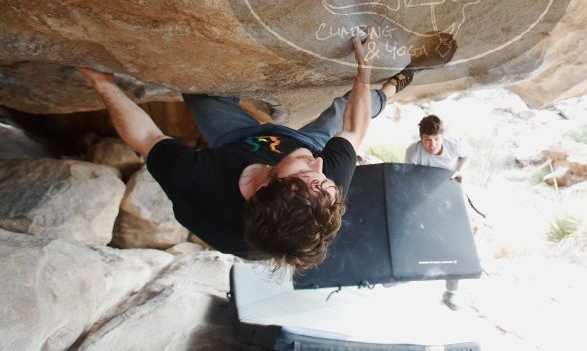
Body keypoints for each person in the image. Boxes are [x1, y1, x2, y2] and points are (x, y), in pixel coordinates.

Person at [77, 35, 415, 271]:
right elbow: (354, 129)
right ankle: (387, 91)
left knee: (198, 91)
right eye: (323, 177)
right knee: (343, 108)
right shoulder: (324, 188)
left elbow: (147, 136)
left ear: (261, 188)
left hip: (234, 142)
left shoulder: (199, 184)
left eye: (307, 173)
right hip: (282, 143)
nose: (319, 161)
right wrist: (364, 69)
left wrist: (103, 84)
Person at [404, 114, 471, 310]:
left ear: (442, 137)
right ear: (421, 138)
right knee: (416, 237)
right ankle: (406, 277)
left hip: (450, 192)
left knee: (457, 241)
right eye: (427, 139)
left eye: (436, 139)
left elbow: (467, 155)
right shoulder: (413, 151)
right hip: (425, 196)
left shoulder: (454, 144)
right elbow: (409, 178)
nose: (432, 144)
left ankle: (451, 293)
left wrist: (460, 170)